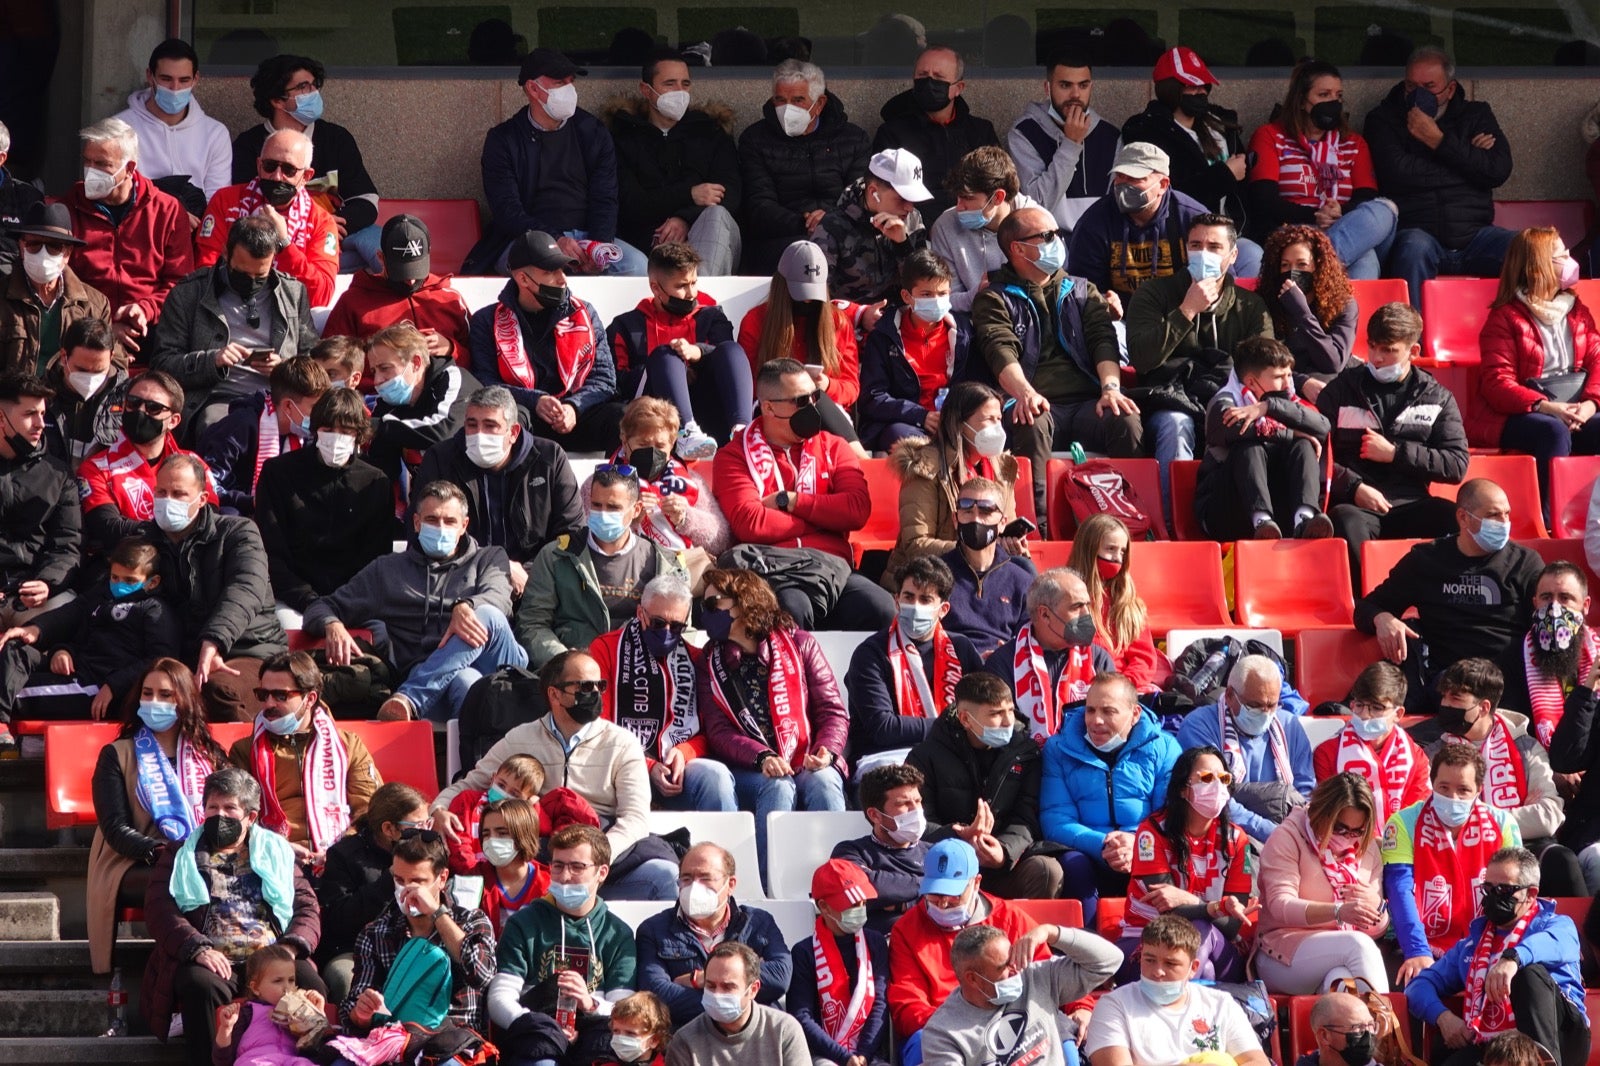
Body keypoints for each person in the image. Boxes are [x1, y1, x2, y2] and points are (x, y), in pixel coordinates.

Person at [432, 649, 676, 902]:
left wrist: (593, 858)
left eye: (598, 686)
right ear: (554, 693)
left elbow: (635, 818)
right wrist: (438, 810)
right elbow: (469, 784)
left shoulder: (623, 743)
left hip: (603, 852)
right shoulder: (520, 738)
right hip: (541, 857)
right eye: (583, 687)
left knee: (664, 875)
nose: (593, 695)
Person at [139, 768, 323, 1066]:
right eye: (213, 807)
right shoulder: (179, 853)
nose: (219, 815)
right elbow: (160, 908)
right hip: (213, 958)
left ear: (250, 817)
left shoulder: (277, 852)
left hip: (272, 957)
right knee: (199, 985)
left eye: (229, 808)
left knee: (307, 980)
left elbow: (306, 906)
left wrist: (288, 950)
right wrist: (198, 948)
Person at [302, 479, 523, 723]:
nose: (441, 527)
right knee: (466, 681)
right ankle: (470, 762)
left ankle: (409, 698)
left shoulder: (490, 557)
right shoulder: (387, 571)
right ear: (416, 523)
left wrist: (466, 605)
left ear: (464, 526)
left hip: (500, 663)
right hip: (434, 678)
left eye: (449, 521)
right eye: (431, 520)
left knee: (487, 614)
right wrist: (332, 624)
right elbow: (319, 607)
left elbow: (500, 601)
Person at [974, 205, 1134, 522]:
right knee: (1029, 419)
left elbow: (1103, 340)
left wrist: (1111, 388)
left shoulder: (1082, 290)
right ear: (1018, 248)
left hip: (1089, 401)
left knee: (1125, 417)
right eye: (1048, 236)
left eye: (1057, 234)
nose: (1057, 241)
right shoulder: (994, 298)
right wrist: (1024, 393)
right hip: (1034, 401)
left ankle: (1132, 520)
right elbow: (999, 349)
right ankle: (1037, 525)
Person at [714, 359, 895, 630]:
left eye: (815, 396)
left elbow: (856, 510)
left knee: (883, 609)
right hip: (774, 568)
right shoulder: (734, 455)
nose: (812, 406)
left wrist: (792, 501)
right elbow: (751, 524)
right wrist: (826, 522)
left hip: (833, 566)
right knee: (792, 608)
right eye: (800, 400)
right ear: (769, 407)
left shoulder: (834, 447)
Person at [86, 657, 227, 974]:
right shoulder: (117, 754)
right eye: (147, 694)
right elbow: (115, 829)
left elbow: (234, 813)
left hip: (203, 857)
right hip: (132, 862)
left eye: (165, 695)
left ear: (185, 700)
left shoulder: (210, 753)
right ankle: (187, 968)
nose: (153, 702)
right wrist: (166, 852)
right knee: (187, 879)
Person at [697, 567, 849, 861]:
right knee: (777, 785)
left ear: (743, 603)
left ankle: (838, 878)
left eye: (712, 604)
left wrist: (826, 751)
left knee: (825, 780)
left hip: (804, 758)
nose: (705, 614)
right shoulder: (709, 661)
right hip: (749, 769)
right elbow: (718, 732)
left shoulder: (800, 644)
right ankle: (770, 885)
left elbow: (832, 711)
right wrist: (762, 757)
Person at [1355, 478, 1543, 707]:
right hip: (1450, 685)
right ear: (1463, 517)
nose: (1504, 522)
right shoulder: (1425, 560)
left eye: (1507, 514)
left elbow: (1544, 621)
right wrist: (1382, 618)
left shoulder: (1525, 562)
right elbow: (1366, 608)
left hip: (1507, 681)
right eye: (1494, 515)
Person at [1126, 212, 1274, 495]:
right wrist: (1186, 311)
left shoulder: (1250, 305)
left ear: (1232, 256)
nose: (1203, 253)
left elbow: (1264, 367)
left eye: (1214, 247)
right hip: (1169, 401)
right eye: (1196, 245)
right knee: (1175, 424)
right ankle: (1173, 523)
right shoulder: (1154, 293)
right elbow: (1142, 358)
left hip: (1227, 402)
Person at [1317, 301, 1468, 577]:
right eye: (1373, 346)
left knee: (1457, 520)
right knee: (1344, 519)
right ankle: (1371, 605)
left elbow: (1456, 464)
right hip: (1357, 504)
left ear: (1414, 351)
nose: (1376, 357)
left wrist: (1395, 453)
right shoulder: (1341, 389)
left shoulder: (1438, 396)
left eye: (1388, 350)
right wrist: (1354, 487)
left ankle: (1442, 605)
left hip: (1412, 503)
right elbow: (1316, 457)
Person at [466, 47, 645, 277]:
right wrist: (555, 240)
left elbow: (606, 198)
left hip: (587, 238)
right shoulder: (504, 140)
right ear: (533, 88)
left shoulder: (592, 132)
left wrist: (597, 246)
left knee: (638, 267)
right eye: (560, 83)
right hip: (527, 240)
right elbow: (507, 210)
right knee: (539, 272)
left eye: (571, 82)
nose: (569, 90)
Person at [1404, 847, 1590, 1066]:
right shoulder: (1471, 945)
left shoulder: (1556, 925)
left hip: (1562, 1038)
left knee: (1528, 974)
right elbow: (1418, 986)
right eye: (1488, 888)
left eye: (1503, 890)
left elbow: (1558, 944)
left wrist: (1513, 959)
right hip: (1495, 1044)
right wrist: (1443, 1017)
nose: (1493, 896)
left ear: (1530, 894)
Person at [1412, 659, 1583, 896]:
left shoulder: (1526, 747)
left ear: (1483, 707)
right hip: (1458, 848)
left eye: (1456, 699)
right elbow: (1437, 815)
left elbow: (1548, 816)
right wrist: (1518, 814)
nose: (1445, 705)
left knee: (1562, 860)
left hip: (1525, 847)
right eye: (1444, 697)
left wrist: (1479, 818)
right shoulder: (1431, 750)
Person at [1363, 46, 1515, 307]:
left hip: (1476, 235)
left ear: (1451, 89)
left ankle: (1527, 339)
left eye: (1429, 86)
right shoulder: (1383, 119)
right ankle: (1412, 343)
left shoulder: (1476, 114)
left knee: (1528, 249)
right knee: (1413, 249)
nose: (1418, 94)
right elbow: (1396, 174)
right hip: (1418, 233)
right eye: (1411, 86)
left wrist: (1438, 141)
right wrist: (1469, 163)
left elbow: (1498, 170)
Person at [886, 838, 1052, 1066]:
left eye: (953, 894)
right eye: (934, 894)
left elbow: (1048, 974)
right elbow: (907, 1003)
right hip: (943, 1027)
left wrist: (1080, 1007)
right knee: (922, 1041)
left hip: (1014, 1020)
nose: (942, 904)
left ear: (976, 883)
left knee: (1062, 1036)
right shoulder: (906, 929)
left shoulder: (1011, 918)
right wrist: (963, 1025)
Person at [151, 215, 320, 437]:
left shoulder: (293, 293)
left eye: (260, 275)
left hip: (280, 400)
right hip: (218, 399)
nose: (251, 281)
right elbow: (162, 364)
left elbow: (315, 360)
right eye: (242, 273)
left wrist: (285, 370)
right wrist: (212, 360)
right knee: (219, 429)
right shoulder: (189, 293)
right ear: (225, 253)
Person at [148, 452, 286, 719]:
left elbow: (245, 588)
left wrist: (214, 641)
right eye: (161, 492)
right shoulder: (145, 541)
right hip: (183, 657)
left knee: (217, 691)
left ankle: (242, 758)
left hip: (252, 652)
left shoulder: (239, 532)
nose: (167, 501)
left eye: (178, 494)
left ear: (201, 500)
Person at [413, 385, 585, 600]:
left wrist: (532, 572)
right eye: (472, 424)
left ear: (513, 432)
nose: (478, 434)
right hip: (460, 584)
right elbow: (422, 529)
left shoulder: (550, 458)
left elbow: (571, 532)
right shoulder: (440, 458)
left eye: (490, 425)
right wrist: (495, 568)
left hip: (537, 585)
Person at [487, 824, 639, 1064]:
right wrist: (541, 1027)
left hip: (596, 1032)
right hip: (536, 1032)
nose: (565, 876)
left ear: (602, 872)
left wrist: (590, 1003)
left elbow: (624, 1008)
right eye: (558, 866)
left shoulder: (617, 933)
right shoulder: (523, 924)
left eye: (577, 867)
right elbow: (499, 998)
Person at [906, 671, 1062, 899]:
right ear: (965, 719)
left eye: (1010, 710)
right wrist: (960, 835)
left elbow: (1027, 816)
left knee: (1047, 871)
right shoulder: (924, 757)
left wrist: (1004, 851)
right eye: (996, 714)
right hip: (947, 863)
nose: (1009, 721)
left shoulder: (1025, 753)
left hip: (1001, 863)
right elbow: (918, 822)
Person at [589, 573, 737, 812]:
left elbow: (710, 728)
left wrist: (684, 752)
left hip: (678, 768)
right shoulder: (606, 648)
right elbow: (599, 725)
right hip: (621, 766)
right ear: (640, 614)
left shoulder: (695, 657)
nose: (667, 632)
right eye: (658, 623)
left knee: (716, 777)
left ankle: (718, 850)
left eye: (676, 626)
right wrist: (646, 765)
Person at [1469, 227, 1600, 496]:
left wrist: (1589, 405)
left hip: (1575, 408)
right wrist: (1548, 407)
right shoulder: (1504, 318)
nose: (1570, 261)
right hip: (1520, 413)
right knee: (1553, 432)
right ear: (1537, 269)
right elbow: (1497, 384)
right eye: (1562, 256)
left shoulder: (1578, 310)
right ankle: (1550, 519)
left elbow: (1598, 359)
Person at [1041, 671, 1181, 921]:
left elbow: (1171, 815)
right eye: (1090, 710)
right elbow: (1055, 820)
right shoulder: (1058, 748)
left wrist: (1136, 843)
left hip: (1146, 846)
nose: (1096, 721)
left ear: (1134, 714)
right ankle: (1088, 948)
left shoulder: (1165, 747)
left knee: (1163, 858)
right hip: (1089, 850)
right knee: (1074, 866)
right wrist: (1104, 844)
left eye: (1108, 711)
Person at [466, 229, 622, 452]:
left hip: (576, 417)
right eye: (551, 271)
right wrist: (535, 401)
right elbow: (484, 383)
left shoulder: (585, 312)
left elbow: (605, 380)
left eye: (563, 268)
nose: (562, 278)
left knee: (623, 417)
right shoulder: (486, 320)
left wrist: (574, 406)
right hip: (526, 420)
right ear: (523, 279)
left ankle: (618, 482)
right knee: (508, 417)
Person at [518, 467, 688, 668]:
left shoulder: (664, 563)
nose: (603, 514)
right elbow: (532, 624)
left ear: (636, 509)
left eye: (613, 507)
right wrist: (564, 661)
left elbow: (682, 630)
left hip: (641, 675)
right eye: (597, 505)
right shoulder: (555, 555)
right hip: (573, 677)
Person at [255, 387, 396, 627]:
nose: (335, 437)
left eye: (345, 431)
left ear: (359, 435)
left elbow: (376, 558)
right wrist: (310, 602)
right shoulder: (278, 473)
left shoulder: (375, 482)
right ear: (315, 429)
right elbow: (272, 552)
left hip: (355, 601)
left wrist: (343, 604)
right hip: (292, 599)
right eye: (328, 429)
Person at [0, 535, 178, 723]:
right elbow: (76, 624)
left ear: (153, 582)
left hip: (95, 688)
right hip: (77, 669)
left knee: (12, 692)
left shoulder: (155, 610)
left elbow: (159, 660)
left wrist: (114, 685)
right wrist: (60, 649)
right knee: (15, 650)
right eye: (115, 577)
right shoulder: (103, 597)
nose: (119, 585)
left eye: (130, 580)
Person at [230, 54, 382, 274]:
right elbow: (243, 204)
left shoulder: (336, 138)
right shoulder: (249, 145)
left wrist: (327, 225)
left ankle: (412, 299)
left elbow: (366, 199)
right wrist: (302, 227)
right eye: (303, 87)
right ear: (277, 100)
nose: (313, 93)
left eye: (313, 85)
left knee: (381, 244)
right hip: (277, 239)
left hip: (336, 235)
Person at [1245, 60, 1397, 278]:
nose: (1333, 102)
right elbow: (1264, 200)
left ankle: (1314, 270)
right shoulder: (1270, 136)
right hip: (1294, 235)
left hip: (1344, 227)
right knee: (1365, 258)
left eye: (1338, 96)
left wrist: (1340, 213)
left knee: (1384, 210)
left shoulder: (1353, 143)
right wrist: (1315, 217)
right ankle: (1333, 292)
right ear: (1301, 101)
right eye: (1324, 95)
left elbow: (1366, 197)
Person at [1382, 744, 1522, 978]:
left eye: (1463, 790)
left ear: (1479, 790)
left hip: (1487, 941)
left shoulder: (1503, 823)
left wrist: (1506, 952)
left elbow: (1517, 893)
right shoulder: (1402, 823)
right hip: (1421, 942)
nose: (1452, 797)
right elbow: (1399, 889)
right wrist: (1417, 950)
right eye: (1443, 788)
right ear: (1432, 784)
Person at [225, 650, 379, 863]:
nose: (268, 704)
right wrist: (277, 846)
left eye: (281, 696)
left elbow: (369, 809)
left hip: (344, 857)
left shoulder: (348, 746)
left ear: (310, 698)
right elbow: (233, 816)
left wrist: (341, 850)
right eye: (263, 695)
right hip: (272, 858)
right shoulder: (244, 750)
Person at [340, 830, 497, 1035]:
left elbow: (482, 974)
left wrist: (436, 913)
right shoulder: (375, 932)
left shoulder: (472, 921)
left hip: (452, 1043)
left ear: (442, 879)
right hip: (392, 1041)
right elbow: (352, 1012)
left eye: (417, 881)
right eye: (399, 880)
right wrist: (361, 1013)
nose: (406, 889)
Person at [1119, 745, 1253, 984]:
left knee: (1202, 927)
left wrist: (1194, 903)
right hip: (1148, 939)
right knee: (1207, 968)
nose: (1217, 786)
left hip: (1216, 941)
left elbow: (1233, 925)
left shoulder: (1238, 840)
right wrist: (1215, 908)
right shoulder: (1151, 832)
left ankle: (1176, 1000)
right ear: (1183, 789)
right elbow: (1168, 909)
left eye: (1224, 778)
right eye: (1207, 778)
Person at [605, 50, 743, 275]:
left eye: (685, 84)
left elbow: (731, 195)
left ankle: (701, 306)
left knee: (716, 216)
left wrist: (685, 218)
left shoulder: (711, 133)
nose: (680, 92)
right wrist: (689, 194)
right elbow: (631, 203)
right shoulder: (623, 139)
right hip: (647, 242)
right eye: (670, 84)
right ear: (646, 90)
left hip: (707, 239)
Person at [64, 117, 193, 357]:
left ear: (130, 168)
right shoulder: (67, 208)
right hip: (84, 337)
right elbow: (61, 285)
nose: (91, 171)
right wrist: (103, 327)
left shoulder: (168, 210)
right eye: (87, 161)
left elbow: (181, 284)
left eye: (102, 164)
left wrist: (146, 309)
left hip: (154, 335)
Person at [605, 242, 751, 452]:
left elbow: (727, 359)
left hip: (707, 407)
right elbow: (616, 382)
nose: (691, 292)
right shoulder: (625, 326)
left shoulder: (711, 317)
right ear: (656, 288)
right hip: (653, 411)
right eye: (681, 286)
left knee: (732, 349)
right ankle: (685, 432)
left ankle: (741, 431)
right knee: (666, 355)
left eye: (694, 282)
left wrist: (697, 352)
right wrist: (672, 372)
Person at [1256, 771, 1392, 994]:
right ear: (1321, 813)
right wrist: (1338, 911)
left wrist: (1377, 908)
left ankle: (1365, 1029)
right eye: (1340, 828)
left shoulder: (1368, 849)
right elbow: (1281, 905)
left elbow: (1375, 931)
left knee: (1342, 984)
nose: (1349, 837)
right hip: (1280, 953)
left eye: (1357, 830)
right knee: (1357, 945)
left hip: (1339, 957)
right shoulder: (1288, 837)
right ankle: (1389, 1028)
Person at [883, 381, 1028, 587]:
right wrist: (974, 549)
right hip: (930, 578)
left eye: (999, 419)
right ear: (960, 424)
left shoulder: (1002, 470)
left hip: (983, 571)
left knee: (1024, 569)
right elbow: (915, 545)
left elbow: (1005, 529)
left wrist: (1013, 545)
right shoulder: (925, 468)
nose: (998, 428)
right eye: (989, 420)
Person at [1069, 143, 1243, 313]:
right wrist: (1100, 303)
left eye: (1134, 178)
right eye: (1120, 176)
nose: (1123, 184)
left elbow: (1225, 282)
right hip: (1121, 321)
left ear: (1163, 184)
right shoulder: (1094, 222)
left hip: (1184, 314)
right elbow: (1082, 287)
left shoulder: (1192, 218)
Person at [922, 918, 1123, 1066]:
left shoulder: (1035, 978)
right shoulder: (943, 1032)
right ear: (972, 979)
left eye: (1013, 960)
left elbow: (1110, 961)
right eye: (1004, 967)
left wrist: (1051, 932)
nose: (1015, 969)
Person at [737, 59, 871, 276]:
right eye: (780, 100)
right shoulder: (755, 140)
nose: (787, 108)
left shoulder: (853, 139)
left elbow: (863, 197)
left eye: (798, 100)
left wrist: (830, 219)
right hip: (783, 240)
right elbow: (759, 205)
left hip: (845, 236)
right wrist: (805, 223)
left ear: (819, 104)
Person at [635, 842, 791, 1026]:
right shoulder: (654, 929)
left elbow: (780, 976)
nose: (694, 887)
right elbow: (656, 995)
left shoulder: (759, 923)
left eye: (705, 878)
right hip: (687, 1039)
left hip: (756, 1037)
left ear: (730, 884)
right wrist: (733, 999)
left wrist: (700, 979)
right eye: (686, 878)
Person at [1195, 335, 1334, 541]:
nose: (1288, 383)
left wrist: (1269, 407)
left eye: (1289, 375)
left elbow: (1323, 426)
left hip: (1279, 509)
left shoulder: (1289, 401)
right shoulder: (1223, 402)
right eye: (1279, 377)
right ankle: (1261, 520)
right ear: (1251, 382)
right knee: (1249, 446)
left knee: (1304, 444)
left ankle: (1304, 518)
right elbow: (1238, 429)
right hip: (1227, 510)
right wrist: (1290, 433)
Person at [1083, 914, 1269, 1066]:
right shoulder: (1114, 1006)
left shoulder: (1221, 1004)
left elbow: (1257, 1062)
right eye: (1149, 960)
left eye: (1171, 963)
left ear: (1194, 968)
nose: (1157, 971)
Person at [847, 556, 984, 762]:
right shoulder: (870, 653)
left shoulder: (961, 648)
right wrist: (956, 725)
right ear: (896, 600)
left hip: (952, 756)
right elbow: (884, 728)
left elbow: (983, 710)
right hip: (885, 758)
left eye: (925, 599)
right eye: (908, 597)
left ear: (943, 609)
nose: (915, 606)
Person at [737, 241, 866, 447]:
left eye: (813, 295)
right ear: (782, 286)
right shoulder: (755, 320)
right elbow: (747, 383)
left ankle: (859, 463)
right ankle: (859, 459)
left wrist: (827, 385)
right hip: (773, 408)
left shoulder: (837, 321)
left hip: (827, 411)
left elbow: (851, 388)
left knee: (816, 398)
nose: (807, 302)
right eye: (800, 293)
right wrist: (789, 390)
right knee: (804, 398)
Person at [76, 369, 217, 556]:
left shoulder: (194, 464)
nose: (140, 411)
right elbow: (109, 528)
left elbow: (210, 519)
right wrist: (173, 531)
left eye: (153, 408)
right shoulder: (96, 468)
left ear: (173, 420)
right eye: (133, 403)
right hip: (128, 568)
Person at [314, 781, 432, 1004]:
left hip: (413, 945)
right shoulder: (344, 855)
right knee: (344, 978)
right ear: (389, 829)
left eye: (428, 823)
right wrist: (389, 880)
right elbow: (338, 919)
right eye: (417, 826)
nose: (425, 832)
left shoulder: (427, 850)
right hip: (354, 950)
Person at [1176, 653, 1315, 842]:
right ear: (1231, 696)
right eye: (1255, 705)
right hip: (1222, 830)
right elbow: (1213, 796)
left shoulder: (1289, 726)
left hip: (1286, 832)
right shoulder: (1199, 726)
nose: (1265, 713)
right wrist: (1274, 834)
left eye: (1271, 705)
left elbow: (1304, 794)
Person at [197, 129, 338, 309]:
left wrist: (285, 244)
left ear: (306, 176)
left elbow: (321, 296)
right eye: (270, 166)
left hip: (289, 315)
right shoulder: (226, 200)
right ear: (259, 165)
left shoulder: (321, 221)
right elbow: (204, 272)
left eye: (289, 169)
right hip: (227, 307)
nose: (277, 176)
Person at [1121, 47, 1250, 226]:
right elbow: (1166, 195)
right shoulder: (1149, 132)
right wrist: (1226, 175)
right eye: (1192, 86)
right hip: (1181, 232)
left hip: (1230, 230)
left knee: (1253, 252)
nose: (1201, 92)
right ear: (1171, 89)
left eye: (1204, 86)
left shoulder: (1220, 124)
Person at [986, 567, 1116, 742]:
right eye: (1077, 607)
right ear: (1045, 614)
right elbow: (1000, 731)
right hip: (1026, 761)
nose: (1087, 614)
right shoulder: (1004, 663)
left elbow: (1115, 717)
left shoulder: (1098, 658)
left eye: (1088, 605)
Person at [858, 249, 970, 451]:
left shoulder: (963, 334)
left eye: (942, 294)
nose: (936, 301)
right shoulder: (883, 336)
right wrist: (920, 415)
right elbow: (873, 397)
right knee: (901, 437)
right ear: (907, 296)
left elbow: (975, 386)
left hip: (954, 421)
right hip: (905, 424)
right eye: (926, 294)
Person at [321, 214, 473, 363]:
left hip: (448, 384)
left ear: (428, 254)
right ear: (381, 258)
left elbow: (477, 360)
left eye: (416, 269)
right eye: (401, 272)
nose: (411, 280)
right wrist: (384, 364)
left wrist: (451, 349)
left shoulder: (450, 299)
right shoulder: (353, 302)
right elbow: (330, 363)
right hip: (375, 388)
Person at [0, 370, 80, 649]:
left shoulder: (59, 475)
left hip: (32, 597)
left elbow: (68, 545)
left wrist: (47, 583)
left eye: (43, 414)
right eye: (29, 414)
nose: (40, 424)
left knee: (70, 611)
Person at [873, 46, 998, 222]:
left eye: (939, 78)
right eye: (923, 76)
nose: (929, 82)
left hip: (971, 226)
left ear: (958, 87)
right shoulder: (892, 133)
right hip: (917, 229)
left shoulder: (981, 132)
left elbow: (996, 186)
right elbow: (885, 193)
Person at [597, 397, 730, 559]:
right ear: (625, 442)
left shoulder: (691, 480)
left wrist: (685, 518)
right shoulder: (600, 482)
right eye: (643, 444)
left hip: (680, 567)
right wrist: (631, 518)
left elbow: (721, 539)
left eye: (660, 446)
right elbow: (589, 539)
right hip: (624, 569)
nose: (652, 453)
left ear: (672, 444)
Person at [112, 38, 233, 218]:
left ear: (196, 79)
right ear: (149, 76)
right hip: (140, 228)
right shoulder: (119, 130)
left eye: (184, 80)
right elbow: (115, 195)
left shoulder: (215, 133)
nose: (175, 88)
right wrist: (172, 215)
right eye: (166, 79)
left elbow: (217, 200)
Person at [788, 858, 892, 1066]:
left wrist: (864, 1054)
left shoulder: (875, 942)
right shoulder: (804, 952)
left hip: (868, 1053)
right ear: (824, 907)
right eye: (852, 904)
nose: (861, 909)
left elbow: (880, 1003)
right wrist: (844, 1057)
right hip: (824, 1055)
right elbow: (802, 1015)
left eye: (863, 903)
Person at [1007, 48, 1120, 237]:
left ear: (1091, 87)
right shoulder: (1024, 133)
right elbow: (1036, 206)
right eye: (1065, 85)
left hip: (1099, 245)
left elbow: (1117, 208)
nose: (1075, 94)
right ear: (1048, 87)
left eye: (1083, 86)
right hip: (1047, 246)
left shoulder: (1111, 136)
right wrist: (1071, 144)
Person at [199, 356, 328, 516]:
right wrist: (248, 501)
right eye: (315, 407)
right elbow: (208, 482)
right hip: (236, 511)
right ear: (288, 405)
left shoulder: (306, 436)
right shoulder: (241, 426)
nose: (321, 415)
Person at [0, 200, 115, 376]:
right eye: (34, 244)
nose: (43, 253)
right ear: (21, 247)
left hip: (70, 401)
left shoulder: (95, 305)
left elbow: (115, 362)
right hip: (12, 400)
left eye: (54, 247)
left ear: (67, 253)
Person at [1312, 661, 1431, 823]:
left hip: (1400, 844)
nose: (1365, 715)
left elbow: (1416, 817)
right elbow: (1326, 815)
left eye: (1376, 707)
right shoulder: (1327, 752)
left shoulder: (1416, 758)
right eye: (1359, 705)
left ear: (1398, 713)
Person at [813, 147, 932, 306]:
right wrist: (858, 315)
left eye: (913, 199)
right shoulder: (833, 226)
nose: (909, 207)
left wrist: (902, 245)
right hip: (848, 320)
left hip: (901, 315)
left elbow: (925, 287)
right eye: (902, 198)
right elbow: (816, 295)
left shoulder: (912, 219)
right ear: (873, 192)